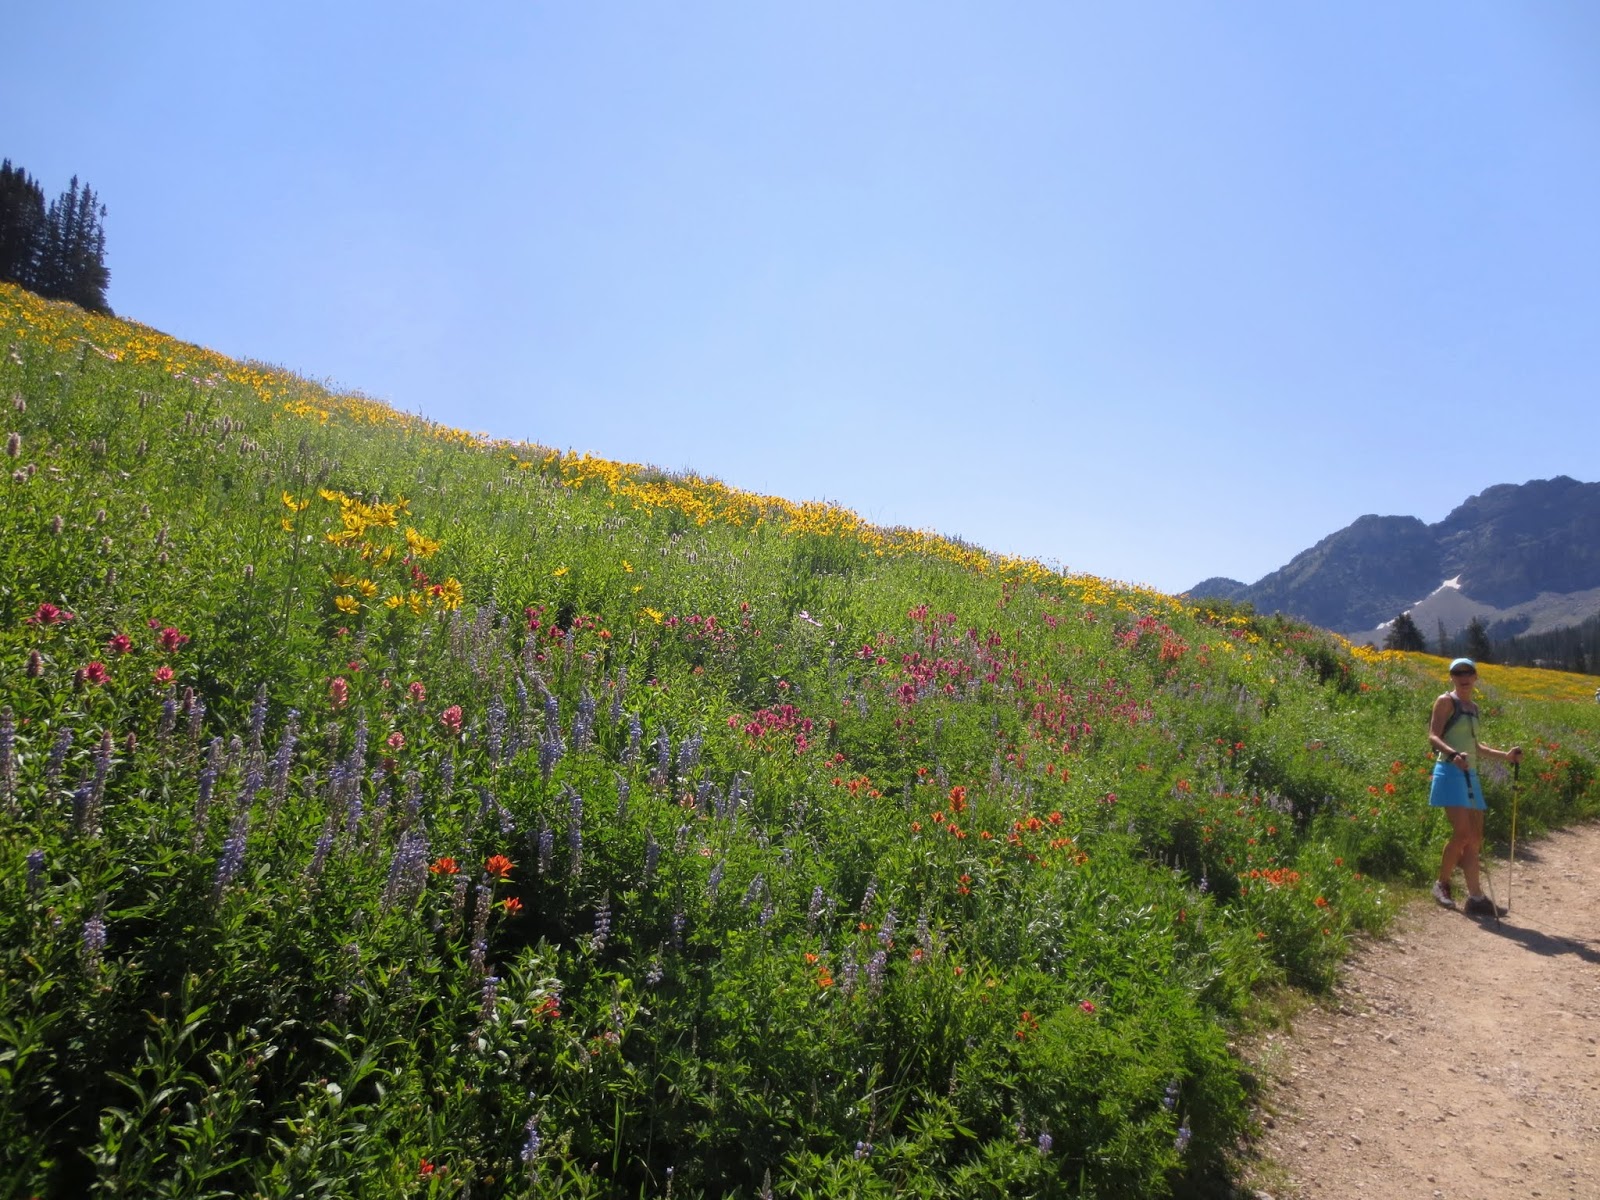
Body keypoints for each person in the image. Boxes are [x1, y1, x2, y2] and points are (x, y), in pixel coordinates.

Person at [1429, 658, 1521, 916]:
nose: (1463, 677)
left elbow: (1476, 747)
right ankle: (1441, 885)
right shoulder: (1445, 701)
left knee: (1475, 838)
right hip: (1449, 771)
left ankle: (1476, 898)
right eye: (1458, 673)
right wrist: (1453, 754)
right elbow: (1433, 736)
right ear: (1451, 677)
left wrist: (1507, 756)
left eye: (1468, 672)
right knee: (1462, 833)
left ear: (1476, 676)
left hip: (1470, 774)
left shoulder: (1473, 707)